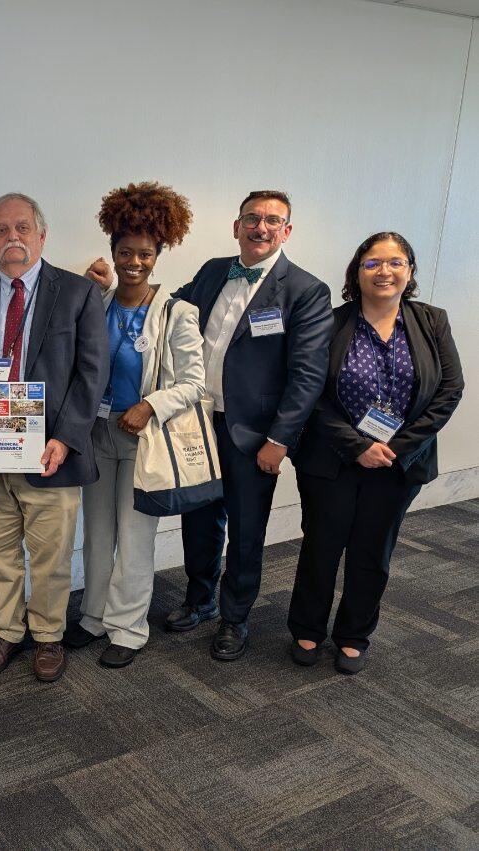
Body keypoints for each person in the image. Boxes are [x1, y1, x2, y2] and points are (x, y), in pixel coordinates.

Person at [0, 192, 107, 683]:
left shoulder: (77, 294)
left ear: (42, 235)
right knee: (0, 553)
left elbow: (92, 375)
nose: (13, 237)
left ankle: (49, 636)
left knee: (51, 556)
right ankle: (8, 631)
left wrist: (68, 439)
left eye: (22, 228)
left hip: (51, 453)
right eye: (1, 230)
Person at [168, 190, 332, 661]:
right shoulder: (213, 270)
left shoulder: (305, 290)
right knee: (197, 518)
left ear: (287, 230)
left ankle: (235, 618)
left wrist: (279, 440)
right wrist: (118, 284)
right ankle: (199, 600)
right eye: (252, 218)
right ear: (236, 225)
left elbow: (307, 376)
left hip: (255, 435)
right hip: (198, 421)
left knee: (244, 530)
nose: (261, 227)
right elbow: (170, 309)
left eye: (272, 220)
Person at [288, 233, 462, 674]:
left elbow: (448, 390)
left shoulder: (431, 321)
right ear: (357, 271)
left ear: (409, 270)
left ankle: (354, 635)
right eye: (373, 263)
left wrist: (394, 448)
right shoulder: (330, 322)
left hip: (398, 464)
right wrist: (358, 446)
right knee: (321, 547)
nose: (385, 271)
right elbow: (310, 392)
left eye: (396, 262)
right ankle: (307, 628)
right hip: (332, 457)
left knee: (373, 550)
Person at [66, 182, 205, 668]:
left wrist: (150, 404)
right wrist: (88, 287)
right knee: (98, 530)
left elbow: (194, 383)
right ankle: (93, 617)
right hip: (97, 435)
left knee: (135, 534)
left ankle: (128, 628)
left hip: (144, 441)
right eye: (126, 252)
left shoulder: (176, 314)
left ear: (158, 255)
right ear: (112, 251)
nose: (135, 262)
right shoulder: (96, 304)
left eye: (145, 254)